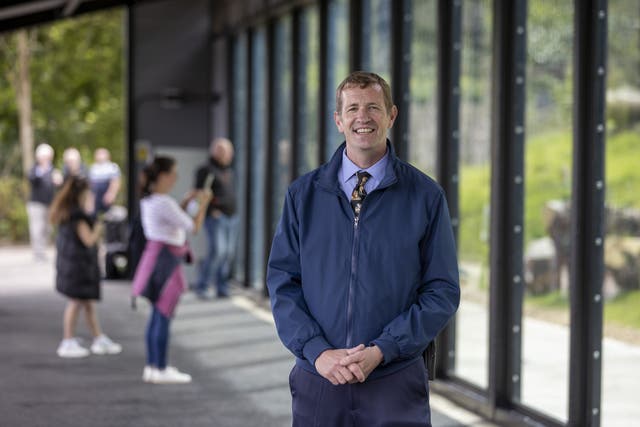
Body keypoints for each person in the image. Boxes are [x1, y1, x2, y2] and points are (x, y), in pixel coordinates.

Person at [266, 71, 460, 426]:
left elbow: (442, 291)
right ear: (338, 120)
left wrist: (383, 350)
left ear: (391, 115)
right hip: (319, 379)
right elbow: (283, 283)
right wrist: (317, 352)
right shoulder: (303, 195)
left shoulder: (426, 197)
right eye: (352, 108)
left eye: (373, 107)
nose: (363, 117)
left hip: (394, 380)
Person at [131, 156, 211, 384]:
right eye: (173, 173)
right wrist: (203, 203)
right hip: (166, 264)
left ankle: (152, 366)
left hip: (156, 260)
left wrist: (185, 202)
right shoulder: (163, 202)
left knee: (157, 316)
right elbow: (193, 226)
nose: (176, 178)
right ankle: (161, 368)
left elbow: (175, 220)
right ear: (164, 176)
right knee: (163, 316)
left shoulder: (151, 200)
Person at [49, 175, 122, 358]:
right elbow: (88, 240)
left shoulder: (66, 213)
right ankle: (67, 341)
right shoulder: (78, 217)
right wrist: (98, 227)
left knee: (87, 303)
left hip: (73, 266)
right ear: (80, 194)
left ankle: (98, 338)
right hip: (79, 267)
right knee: (76, 302)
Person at [192, 138, 238, 299]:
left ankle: (222, 287)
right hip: (216, 217)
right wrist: (212, 210)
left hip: (231, 217)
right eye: (222, 150)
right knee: (217, 252)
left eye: (228, 151)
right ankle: (202, 286)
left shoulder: (228, 171)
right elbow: (199, 193)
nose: (226, 154)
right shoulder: (206, 169)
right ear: (214, 152)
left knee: (228, 253)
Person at [26, 143, 62, 261]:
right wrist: (42, 171)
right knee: (37, 228)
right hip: (36, 204)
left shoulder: (54, 170)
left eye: (48, 157)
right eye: (44, 157)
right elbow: (32, 180)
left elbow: (59, 187)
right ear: (39, 157)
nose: (46, 159)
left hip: (50, 204)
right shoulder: (34, 169)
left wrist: (58, 181)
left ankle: (42, 250)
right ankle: (38, 253)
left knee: (48, 229)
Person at [89, 147, 121, 215]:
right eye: (98, 154)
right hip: (96, 195)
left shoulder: (112, 167)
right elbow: (91, 184)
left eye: (102, 154)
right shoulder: (93, 168)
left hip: (107, 194)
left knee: (108, 215)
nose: (100, 156)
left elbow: (115, 182)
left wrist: (111, 194)